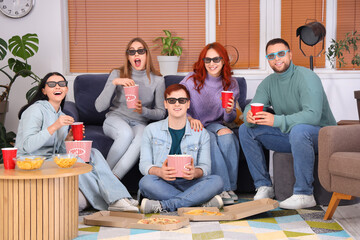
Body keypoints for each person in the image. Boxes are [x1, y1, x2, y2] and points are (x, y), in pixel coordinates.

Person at [15, 72, 139, 212]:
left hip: (50, 160)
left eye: (62, 84)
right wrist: (55, 126)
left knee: (93, 153)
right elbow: (28, 146)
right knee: (77, 161)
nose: (58, 87)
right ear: (44, 90)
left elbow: (58, 151)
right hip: (31, 161)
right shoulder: (35, 110)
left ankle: (120, 197)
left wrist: (68, 139)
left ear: (66, 89)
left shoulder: (61, 115)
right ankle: (114, 200)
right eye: (52, 84)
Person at [239, 38, 336, 209]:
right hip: (293, 136)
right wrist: (248, 116)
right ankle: (264, 186)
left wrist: (276, 120)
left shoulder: (307, 77)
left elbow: (313, 116)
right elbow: (251, 106)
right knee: (246, 129)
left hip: (322, 136)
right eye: (271, 56)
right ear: (268, 59)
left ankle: (305, 193)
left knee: (299, 131)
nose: (277, 59)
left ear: (290, 54)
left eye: (281, 54)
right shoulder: (269, 83)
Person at [138, 84, 224, 213]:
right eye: (172, 101)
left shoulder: (201, 133)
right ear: (165, 104)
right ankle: (198, 203)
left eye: (181, 101)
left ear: (188, 104)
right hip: (162, 183)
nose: (177, 104)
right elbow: (144, 165)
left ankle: (165, 205)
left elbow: (206, 167)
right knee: (146, 182)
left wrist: (195, 173)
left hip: (191, 183)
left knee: (217, 181)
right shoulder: (150, 130)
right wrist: (160, 172)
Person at [95, 37, 166, 179]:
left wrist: (143, 111)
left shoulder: (158, 80)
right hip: (115, 119)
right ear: (128, 57)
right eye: (132, 52)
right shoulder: (117, 74)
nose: (136, 54)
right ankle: (103, 178)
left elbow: (161, 113)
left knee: (142, 137)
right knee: (126, 134)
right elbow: (99, 107)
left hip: (139, 122)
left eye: (140, 51)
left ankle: (113, 178)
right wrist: (115, 82)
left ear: (146, 54)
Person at [180, 42, 240, 205]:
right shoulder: (191, 81)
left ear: (223, 61)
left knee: (228, 137)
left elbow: (229, 120)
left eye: (216, 59)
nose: (212, 64)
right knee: (209, 140)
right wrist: (191, 119)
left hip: (215, 124)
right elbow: (177, 106)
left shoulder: (231, 84)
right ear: (203, 62)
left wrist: (229, 111)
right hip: (193, 124)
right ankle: (222, 187)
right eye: (207, 60)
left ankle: (230, 188)